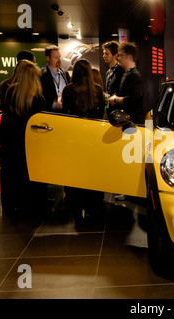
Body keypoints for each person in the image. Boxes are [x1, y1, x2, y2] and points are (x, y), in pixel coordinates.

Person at [0, 60, 47, 215]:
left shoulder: (10, 92)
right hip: (31, 144)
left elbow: (6, 120)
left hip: (10, 142)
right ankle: (32, 204)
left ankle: (11, 205)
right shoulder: (38, 98)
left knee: (10, 174)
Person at [61, 59, 106, 221]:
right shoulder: (98, 90)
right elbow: (101, 115)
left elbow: (65, 114)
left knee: (74, 170)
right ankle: (93, 202)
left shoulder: (68, 90)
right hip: (93, 137)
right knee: (93, 170)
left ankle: (74, 201)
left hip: (74, 137)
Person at [108, 42, 144, 124]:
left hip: (132, 124)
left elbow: (134, 99)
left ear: (128, 57)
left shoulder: (134, 75)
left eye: (120, 55)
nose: (118, 58)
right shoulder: (128, 74)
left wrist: (116, 99)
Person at [40, 45, 71, 112]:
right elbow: (40, 97)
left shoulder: (65, 73)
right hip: (50, 114)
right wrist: (53, 105)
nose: (59, 60)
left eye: (59, 57)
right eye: (56, 57)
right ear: (48, 58)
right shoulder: (41, 75)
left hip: (66, 112)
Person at [102, 41, 124, 117]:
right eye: (104, 53)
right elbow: (109, 93)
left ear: (115, 55)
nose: (104, 56)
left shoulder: (121, 70)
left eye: (106, 54)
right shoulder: (108, 72)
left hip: (120, 113)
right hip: (109, 111)